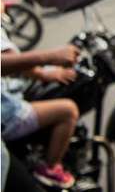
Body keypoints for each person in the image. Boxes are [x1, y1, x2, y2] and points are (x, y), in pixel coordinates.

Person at [1, 34, 79, 189]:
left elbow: (13, 60)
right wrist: (49, 57)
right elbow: (6, 61)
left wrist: (43, 72)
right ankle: (51, 168)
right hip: (6, 112)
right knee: (68, 110)